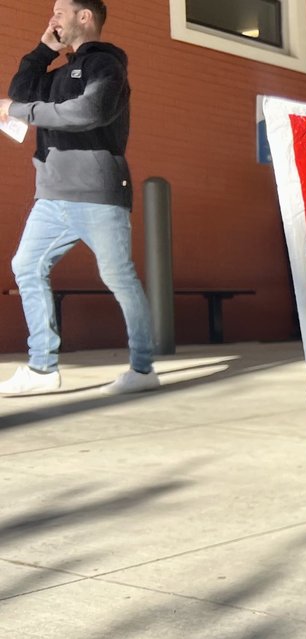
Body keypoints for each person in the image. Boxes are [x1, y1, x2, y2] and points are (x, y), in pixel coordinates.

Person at [0, 0, 158, 396]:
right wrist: (41, 52)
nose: (52, 17)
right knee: (26, 265)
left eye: (59, 11)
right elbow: (18, 96)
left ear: (83, 17)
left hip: (98, 193)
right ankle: (42, 370)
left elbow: (87, 112)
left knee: (117, 276)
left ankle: (142, 369)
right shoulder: (56, 73)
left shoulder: (107, 67)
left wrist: (24, 109)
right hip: (51, 194)